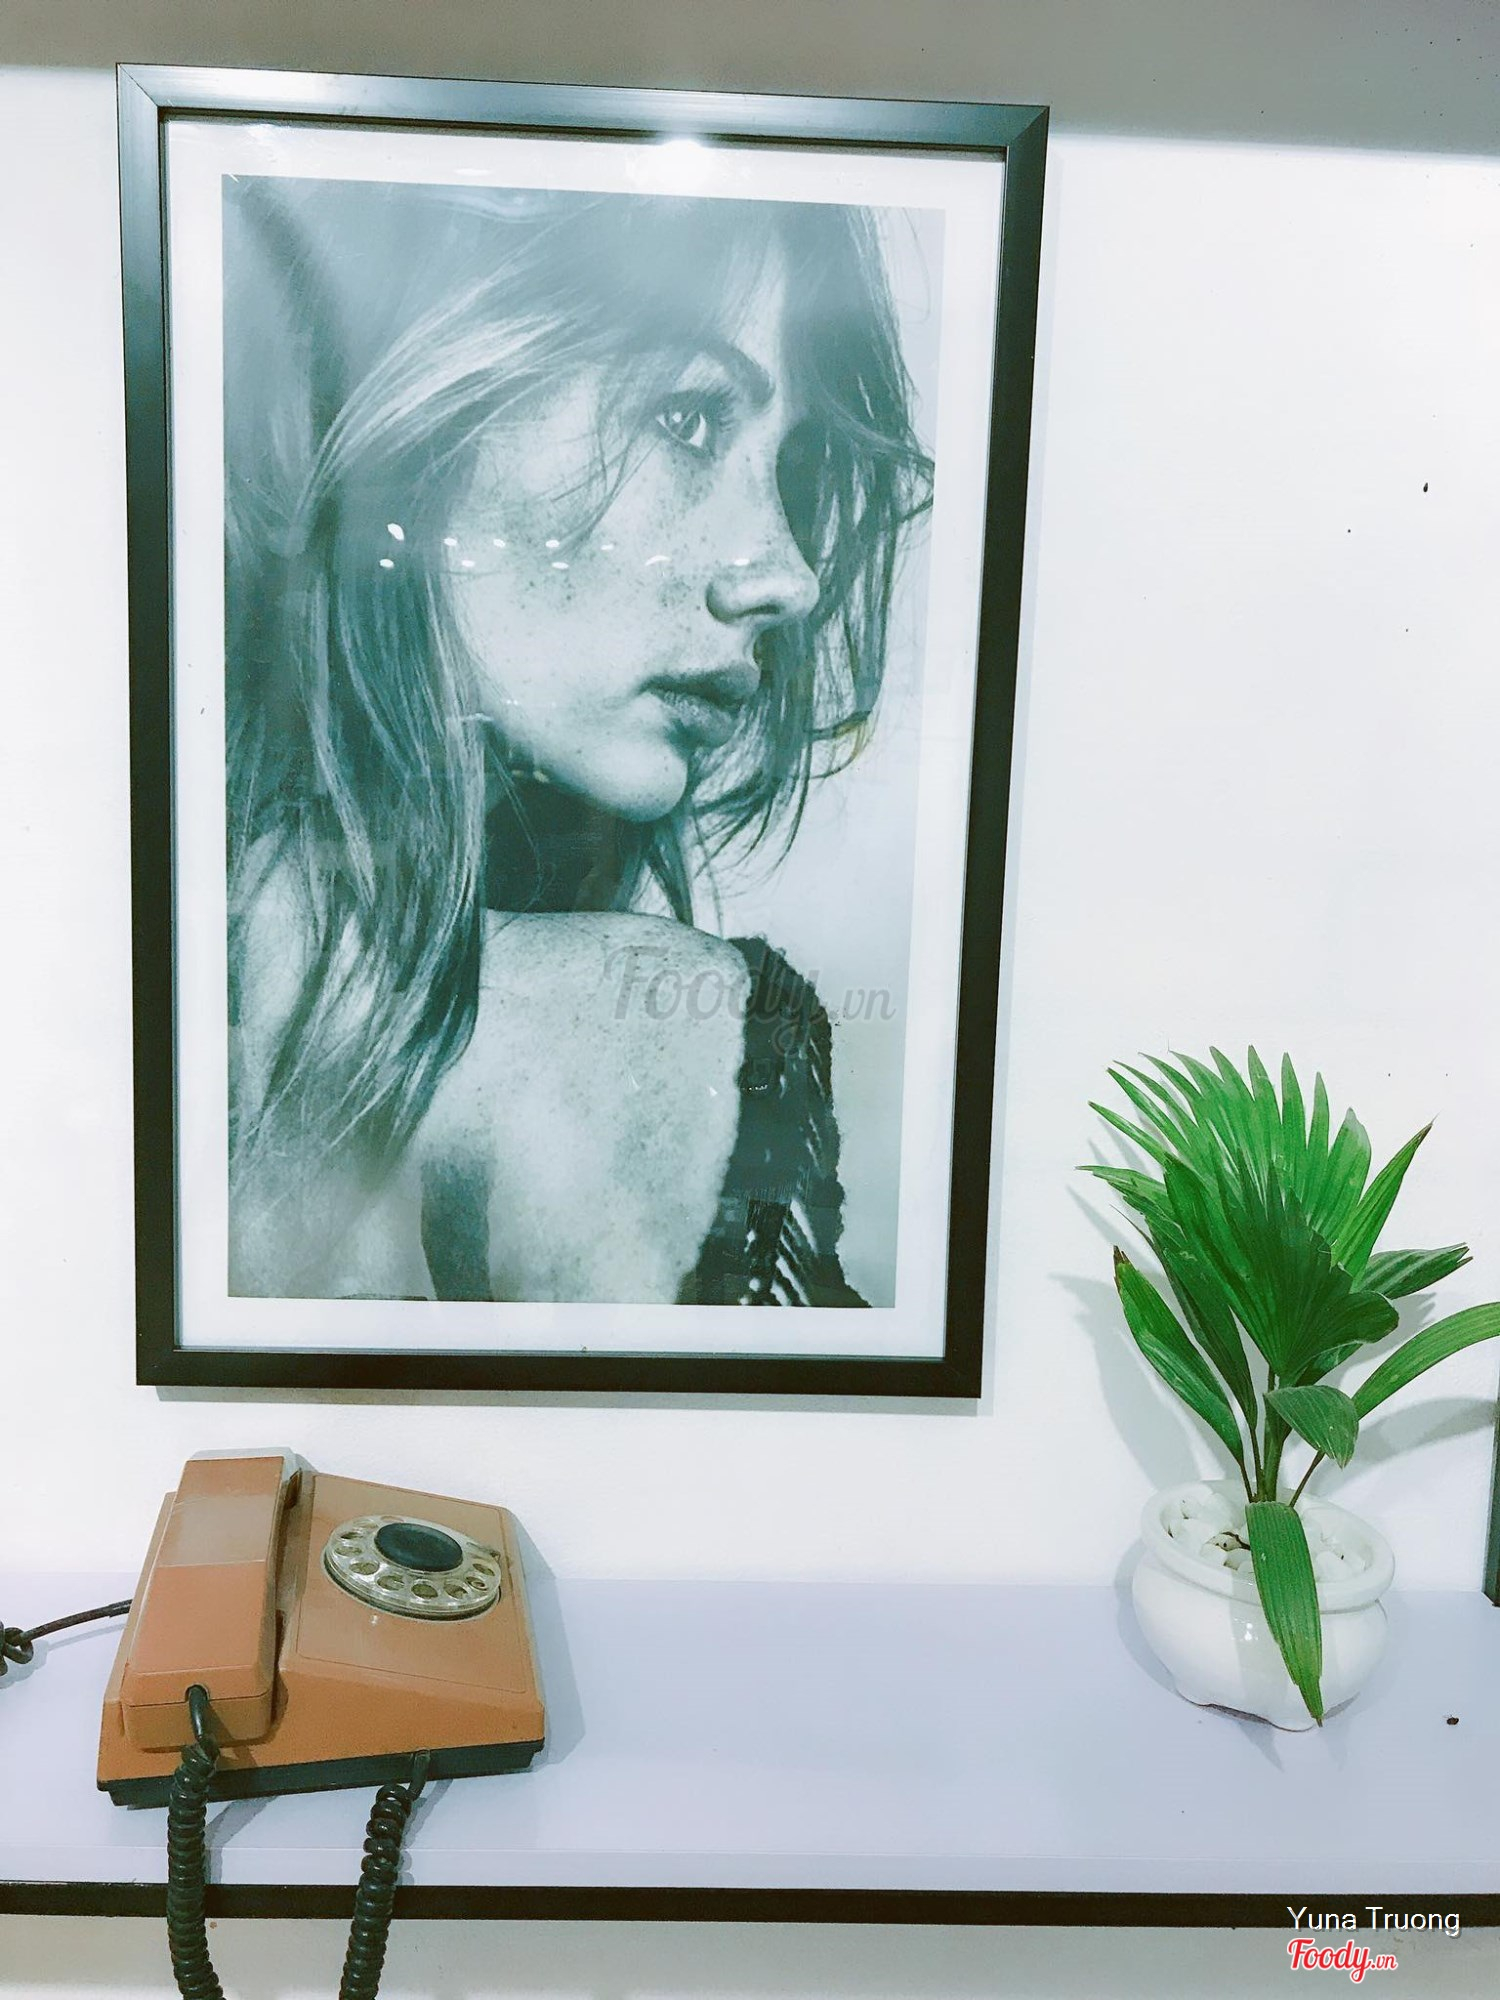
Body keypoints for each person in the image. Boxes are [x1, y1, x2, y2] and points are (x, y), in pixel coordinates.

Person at [222, 174, 932, 1310]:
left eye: (790, 469)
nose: (788, 574)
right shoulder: (671, 1032)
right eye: (689, 419)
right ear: (419, 406)